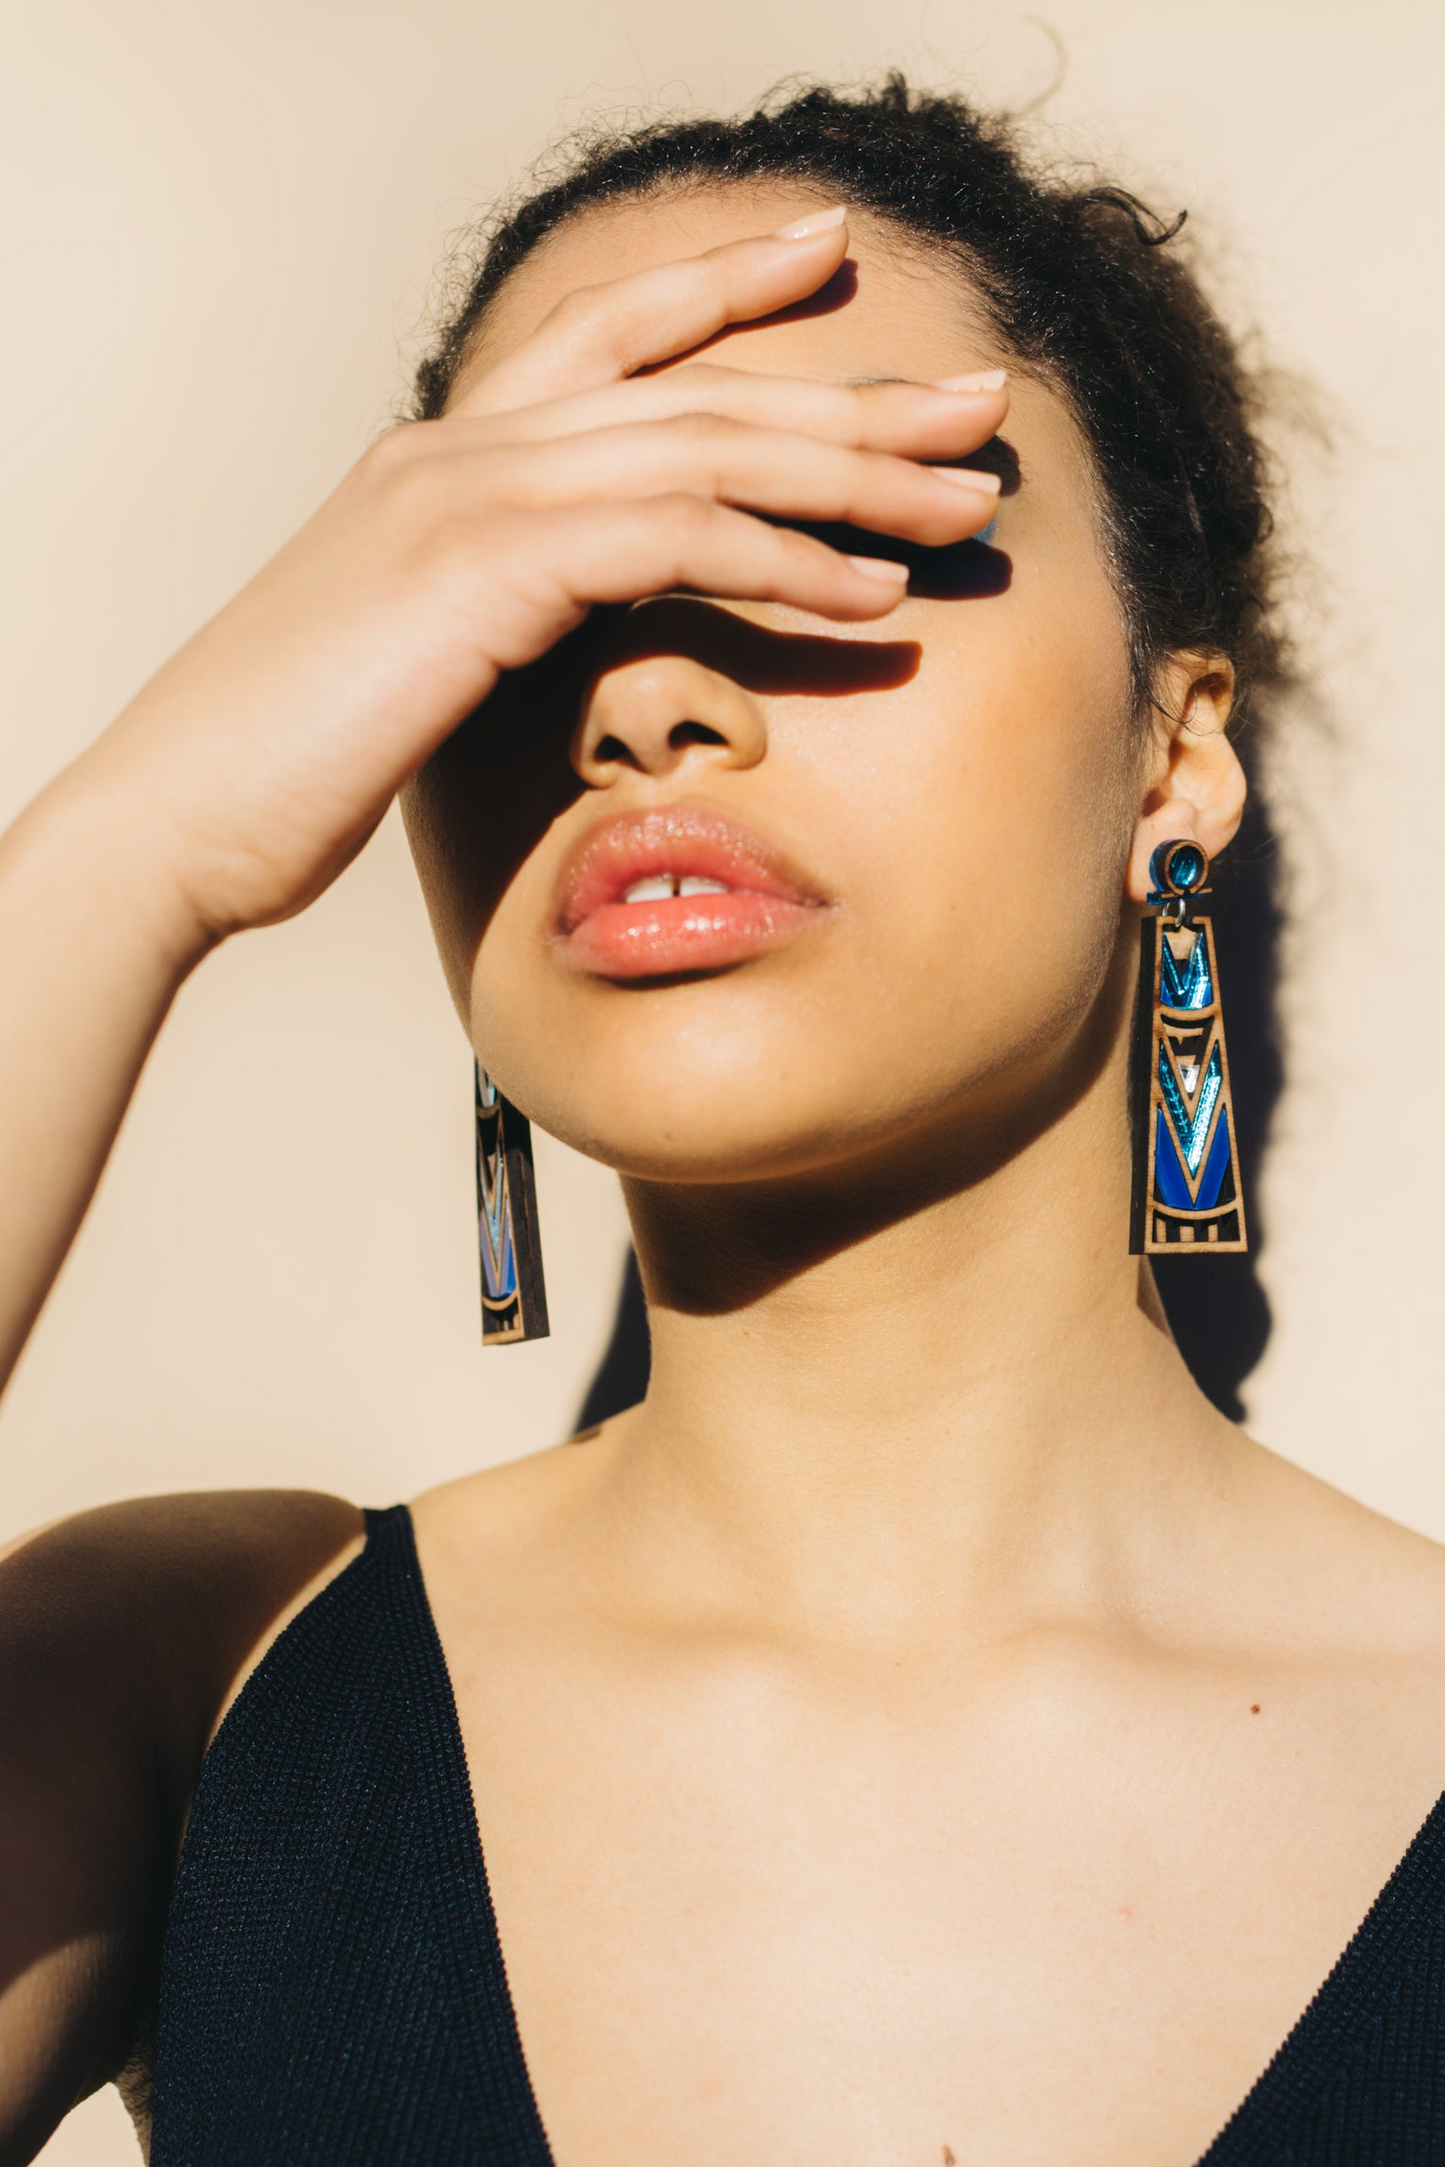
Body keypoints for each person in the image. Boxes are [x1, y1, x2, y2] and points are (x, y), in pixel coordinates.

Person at [2, 75, 1442, 2167]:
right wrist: (137, 843)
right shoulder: (193, 1684)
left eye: (842, 524)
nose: (640, 699)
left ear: (1169, 754)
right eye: (527, 584)